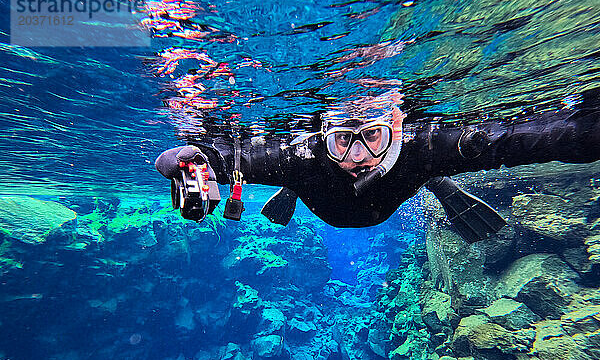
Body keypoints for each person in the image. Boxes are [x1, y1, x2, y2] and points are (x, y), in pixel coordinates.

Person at [155, 91, 600, 243]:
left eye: (373, 136)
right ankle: (289, 188)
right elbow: (208, 154)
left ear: (397, 124)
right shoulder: (298, 156)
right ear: (318, 135)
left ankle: (441, 186)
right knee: (290, 170)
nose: (359, 158)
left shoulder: (421, 148)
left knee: (424, 166)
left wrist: (585, 135)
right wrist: (186, 163)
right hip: (309, 187)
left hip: (400, 183)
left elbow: (528, 141)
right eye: (342, 140)